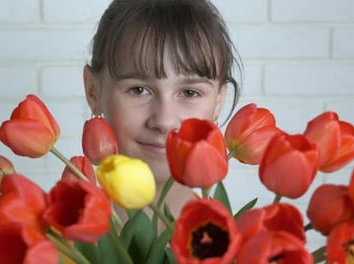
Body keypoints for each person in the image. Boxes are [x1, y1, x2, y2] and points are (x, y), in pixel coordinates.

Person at [83, 0, 242, 217]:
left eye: (189, 92)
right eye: (139, 90)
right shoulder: (48, 247)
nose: (164, 121)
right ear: (93, 91)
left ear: (218, 101)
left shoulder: (249, 249)